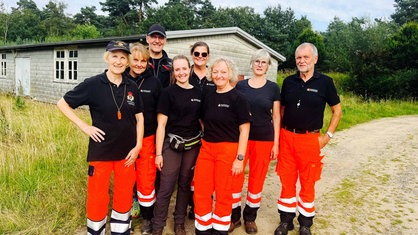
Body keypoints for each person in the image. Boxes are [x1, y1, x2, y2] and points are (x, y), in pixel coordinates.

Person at [57, 40, 144, 235]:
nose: (119, 61)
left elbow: (140, 117)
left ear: (128, 61)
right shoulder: (93, 84)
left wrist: (138, 145)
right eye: (115, 56)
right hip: (100, 151)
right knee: (97, 197)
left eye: (123, 57)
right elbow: (62, 103)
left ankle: (121, 231)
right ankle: (95, 231)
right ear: (107, 58)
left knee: (123, 196)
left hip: (127, 154)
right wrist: (84, 126)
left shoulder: (132, 86)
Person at [274, 42, 342, 235]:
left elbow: (337, 111)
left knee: (307, 181)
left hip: (310, 139)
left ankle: (305, 223)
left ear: (315, 59)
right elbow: (281, 110)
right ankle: (286, 221)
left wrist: (327, 136)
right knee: (287, 180)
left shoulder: (325, 82)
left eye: (305, 57)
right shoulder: (288, 82)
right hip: (287, 137)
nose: (301, 61)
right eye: (298, 58)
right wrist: (278, 139)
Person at [194, 57, 252, 235]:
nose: (219, 75)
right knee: (201, 190)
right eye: (216, 71)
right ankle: (203, 229)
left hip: (228, 150)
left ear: (230, 74)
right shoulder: (208, 95)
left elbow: (244, 129)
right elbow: (202, 119)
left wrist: (239, 158)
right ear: (211, 74)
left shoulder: (238, 98)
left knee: (223, 192)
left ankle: (220, 230)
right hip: (207, 148)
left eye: (223, 72)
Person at [230, 49, 281, 234]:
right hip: (241, 138)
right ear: (251, 63)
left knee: (257, 179)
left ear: (268, 66)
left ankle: (250, 218)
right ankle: (234, 218)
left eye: (264, 62)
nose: (260, 64)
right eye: (257, 61)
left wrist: (276, 143)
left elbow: (276, 117)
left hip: (264, 139)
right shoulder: (240, 85)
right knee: (235, 178)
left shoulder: (273, 88)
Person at [152, 55, 202, 235]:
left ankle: (179, 222)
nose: (181, 72)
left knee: (184, 184)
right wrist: (159, 153)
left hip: (192, 146)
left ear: (190, 69)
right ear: (173, 72)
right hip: (171, 145)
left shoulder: (198, 92)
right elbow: (161, 125)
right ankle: (158, 226)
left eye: (184, 68)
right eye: (177, 69)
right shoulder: (167, 93)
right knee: (166, 186)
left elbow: (202, 121)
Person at [125, 42, 162, 234]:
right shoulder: (119, 79)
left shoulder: (153, 82)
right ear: (129, 60)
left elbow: (160, 113)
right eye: (136, 60)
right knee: (126, 178)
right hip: (124, 139)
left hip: (147, 138)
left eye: (143, 61)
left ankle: (148, 218)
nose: (139, 64)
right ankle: (127, 216)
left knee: (146, 179)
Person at [187, 41, 215, 220]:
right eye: (197, 53)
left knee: (206, 172)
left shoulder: (213, 76)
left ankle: (205, 203)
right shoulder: (184, 73)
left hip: (210, 131)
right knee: (191, 171)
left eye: (204, 54)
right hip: (188, 129)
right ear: (192, 54)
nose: (200, 57)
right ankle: (192, 204)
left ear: (208, 57)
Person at [146, 24, 172, 88]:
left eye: (161, 37)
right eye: (154, 37)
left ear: (165, 41)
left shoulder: (171, 65)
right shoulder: (139, 62)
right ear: (147, 39)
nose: (157, 41)